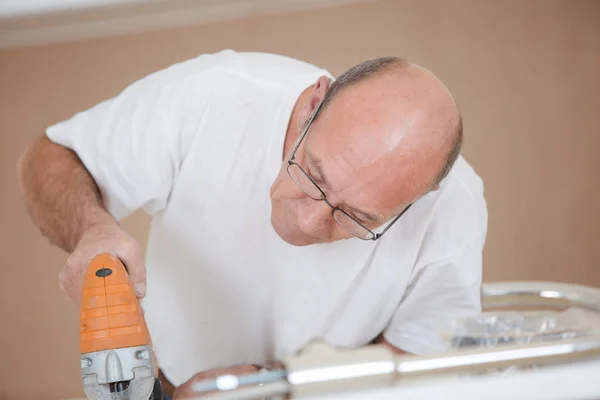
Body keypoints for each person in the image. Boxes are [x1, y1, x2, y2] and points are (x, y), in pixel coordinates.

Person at [17, 49, 487, 397]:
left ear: (421, 198)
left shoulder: (452, 207)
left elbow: (420, 363)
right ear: (312, 104)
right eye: (312, 175)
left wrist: (285, 387)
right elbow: (54, 156)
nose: (307, 221)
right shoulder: (214, 97)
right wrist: (90, 228)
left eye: (356, 218)